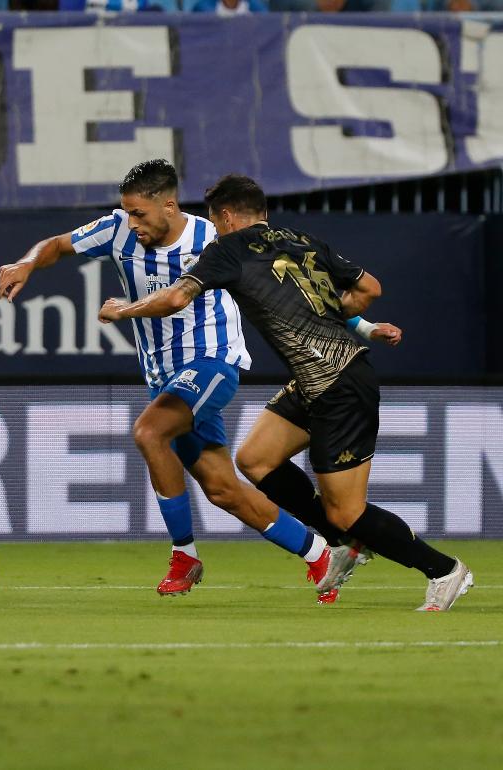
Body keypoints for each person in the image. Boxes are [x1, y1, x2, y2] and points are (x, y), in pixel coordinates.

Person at [0, 159, 385, 600]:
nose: (132, 222)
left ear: (169, 204)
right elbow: (57, 246)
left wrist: (365, 328)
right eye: (126, 212)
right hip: (165, 378)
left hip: (213, 362)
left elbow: (293, 292)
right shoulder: (117, 230)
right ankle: (320, 553)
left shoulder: (214, 239)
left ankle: (185, 556)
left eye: (140, 213)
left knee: (149, 432)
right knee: (223, 490)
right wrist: (26, 263)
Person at [98, 173, 472, 611]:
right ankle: (344, 543)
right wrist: (348, 322)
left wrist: (126, 309)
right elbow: (369, 288)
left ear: (228, 216)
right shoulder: (299, 241)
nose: (214, 230)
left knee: (347, 510)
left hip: (340, 383)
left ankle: (443, 569)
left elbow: (178, 298)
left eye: (216, 222)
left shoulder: (229, 248)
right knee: (255, 460)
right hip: (313, 380)